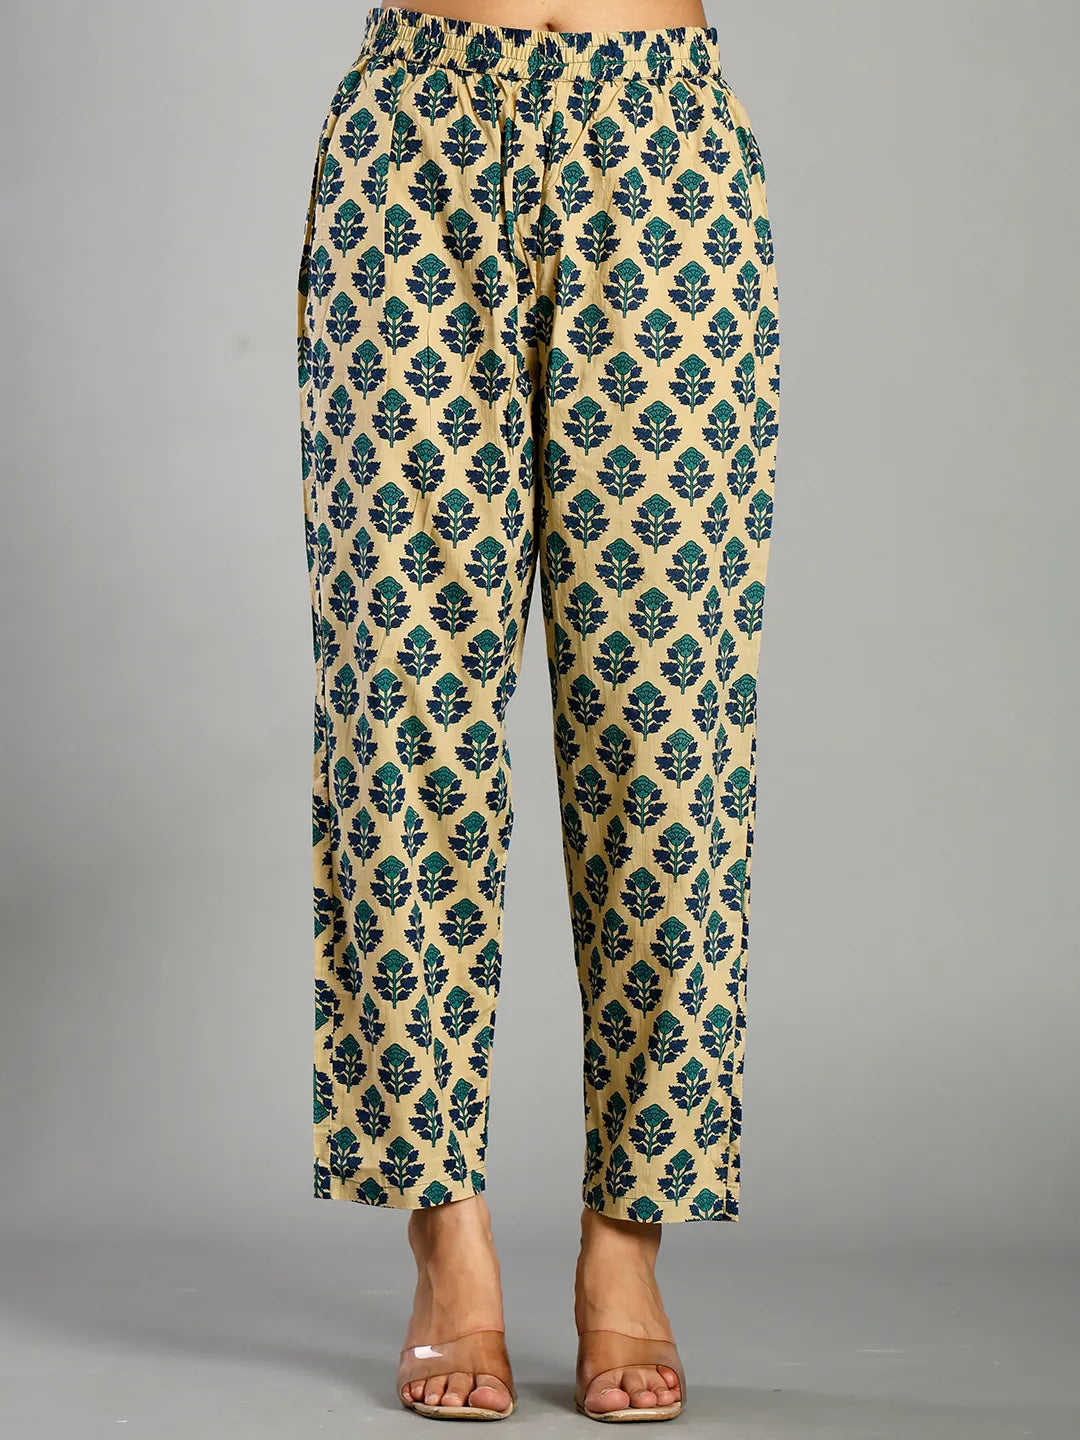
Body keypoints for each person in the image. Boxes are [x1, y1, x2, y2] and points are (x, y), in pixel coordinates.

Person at [297, 0, 780, 1421]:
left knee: (668, 725)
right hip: (414, 131)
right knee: (402, 716)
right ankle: (445, 1235)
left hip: (661, 137)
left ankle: (629, 1238)